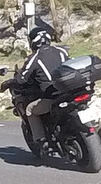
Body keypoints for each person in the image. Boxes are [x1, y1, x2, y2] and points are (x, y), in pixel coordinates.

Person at [20, 22, 70, 153]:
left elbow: (22, 77)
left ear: (32, 42)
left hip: (52, 97)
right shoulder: (62, 51)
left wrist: (13, 80)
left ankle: (42, 141)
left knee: (30, 110)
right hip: (70, 93)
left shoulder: (35, 58)